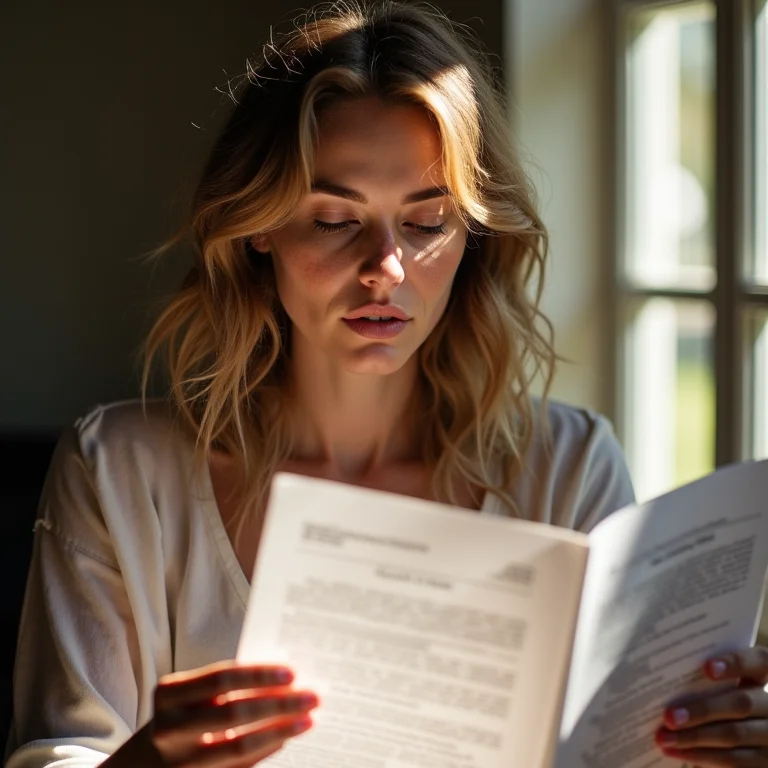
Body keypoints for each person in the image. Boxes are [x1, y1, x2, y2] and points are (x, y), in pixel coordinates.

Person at [5, 1, 768, 766]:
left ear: (472, 235)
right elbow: (60, 751)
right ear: (258, 228)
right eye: (336, 219)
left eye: (427, 222)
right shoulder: (122, 472)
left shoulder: (566, 467)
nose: (386, 270)